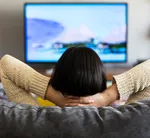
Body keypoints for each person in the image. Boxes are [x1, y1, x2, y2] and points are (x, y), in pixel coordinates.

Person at [0, 47, 150, 108]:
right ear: (100, 80)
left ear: (57, 78)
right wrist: (107, 97)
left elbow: (6, 64)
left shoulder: (33, 119)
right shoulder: (126, 118)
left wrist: (53, 96)